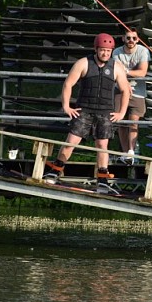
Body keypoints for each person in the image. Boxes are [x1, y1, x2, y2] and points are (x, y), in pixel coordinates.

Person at [43, 33, 130, 193]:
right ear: (96, 49)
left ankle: (102, 179)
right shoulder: (83, 63)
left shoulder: (117, 67)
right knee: (71, 142)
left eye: (108, 51)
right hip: (84, 109)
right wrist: (66, 106)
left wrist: (122, 112)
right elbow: (68, 84)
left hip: (105, 111)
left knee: (102, 145)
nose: (105, 54)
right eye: (102, 50)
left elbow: (126, 90)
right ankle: (55, 171)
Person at [112, 30, 149, 165]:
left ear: (138, 39)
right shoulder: (116, 52)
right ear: (123, 38)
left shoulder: (143, 51)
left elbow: (143, 72)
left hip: (137, 91)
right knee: (120, 121)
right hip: (119, 90)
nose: (131, 40)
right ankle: (124, 152)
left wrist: (126, 73)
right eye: (128, 38)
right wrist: (125, 82)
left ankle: (131, 152)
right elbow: (117, 70)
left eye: (134, 38)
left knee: (134, 121)